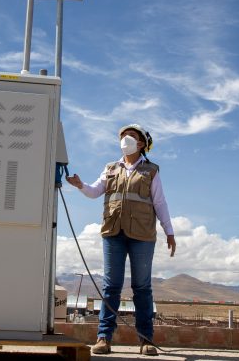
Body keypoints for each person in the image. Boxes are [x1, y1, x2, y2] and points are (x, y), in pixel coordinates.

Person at [66, 123, 176, 356]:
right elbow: (95, 191)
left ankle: (146, 340)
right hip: (113, 232)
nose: (126, 138)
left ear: (142, 143)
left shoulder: (151, 171)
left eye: (131, 136)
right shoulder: (110, 168)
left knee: (142, 288)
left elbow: (160, 203)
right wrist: (80, 185)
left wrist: (169, 231)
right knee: (111, 286)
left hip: (143, 235)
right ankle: (104, 337)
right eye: (123, 135)